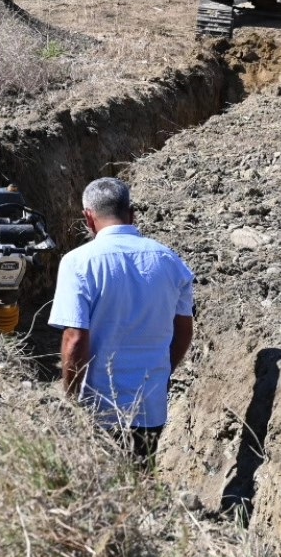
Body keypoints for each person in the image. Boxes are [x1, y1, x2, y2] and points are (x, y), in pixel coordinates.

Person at [49, 177, 195, 464]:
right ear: (131, 214)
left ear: (88, 218)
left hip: (99, 407)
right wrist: (162, 373)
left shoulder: (78, 262)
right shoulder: (170, 262)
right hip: (150, 407)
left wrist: (70, 398)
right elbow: (184, 332)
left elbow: (75, 339)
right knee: (140, 481)